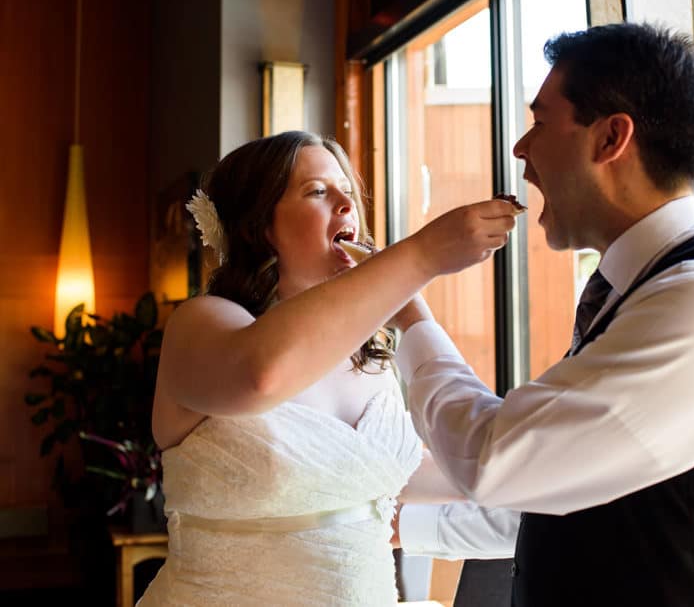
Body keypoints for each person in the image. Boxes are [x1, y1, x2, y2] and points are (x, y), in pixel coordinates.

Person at [390, 22, 694, 606]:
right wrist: (404, 528)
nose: (520, 149)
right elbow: (568, 492)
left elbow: (499, 460)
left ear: (611, 137)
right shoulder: (632, 288)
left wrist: (411, 319)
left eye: (539, 123)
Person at [138, 131, 520, 606]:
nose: (346, 204)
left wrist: (509, 471)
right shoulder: (202, 323)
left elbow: (380, 471)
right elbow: (262, 377)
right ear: (259, 225)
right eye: (318, 191)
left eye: (346, 191)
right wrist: (422, 255)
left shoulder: (370, 353)